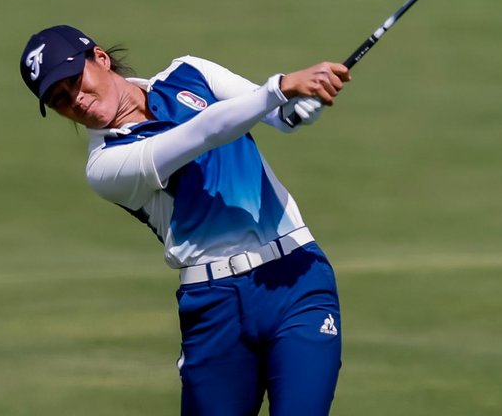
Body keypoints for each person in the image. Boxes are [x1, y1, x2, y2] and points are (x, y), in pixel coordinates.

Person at [19, 24, 351, 416]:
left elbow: (278, 115)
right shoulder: (107, 166)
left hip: (297, 279)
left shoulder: (191, 73)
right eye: (59, 99)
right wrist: (281, 87)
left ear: (101, 59)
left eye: (75, 80)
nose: (75, 100)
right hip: (215, 306)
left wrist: (298, 107)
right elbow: (206, 131)